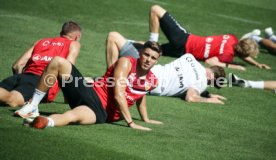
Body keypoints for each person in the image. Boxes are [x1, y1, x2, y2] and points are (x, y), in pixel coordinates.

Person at [16, 41, 163, 131]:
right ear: (140, 53)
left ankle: (44, 122)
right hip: (90, 93)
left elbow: (140, 96)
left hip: (101, 113)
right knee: (58, 62)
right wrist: (131, 123)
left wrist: (146, 119)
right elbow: (119, 95)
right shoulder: (126, 62)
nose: (148, 59)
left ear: (157, 60)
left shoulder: (152, 81)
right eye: (146, 55)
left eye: (153, 58)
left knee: (71, 117)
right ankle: (33, 105)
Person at [106, 32, 227, 104]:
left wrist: (207, 94)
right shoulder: (201, 83)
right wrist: (209, 100)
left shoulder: (190, 57)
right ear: (211, 77)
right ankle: (110, 80)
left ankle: (110, 76)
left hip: (145, 66)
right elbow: (190, 97)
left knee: (113, 37)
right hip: (147, 81)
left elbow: (189, 80)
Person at [148, 5, 270, 70]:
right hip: (182, 51)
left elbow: (211, 61)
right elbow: (210, 61)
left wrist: (255, 64)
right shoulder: (227, 56)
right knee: (151, 50)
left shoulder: (231, 38)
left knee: (155, 9)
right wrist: (235, 66)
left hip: (184, 40)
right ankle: (149, 44)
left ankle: (151, 41)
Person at [0, 21, 82, 107]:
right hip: (40, 83)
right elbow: (67, 72)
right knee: (12, 100)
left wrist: (21, 81)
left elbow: (17, 65)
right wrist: (68, 98)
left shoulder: (41, 41)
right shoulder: (74, 44)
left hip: (19, 77)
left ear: (61, 33)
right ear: (77, 37)